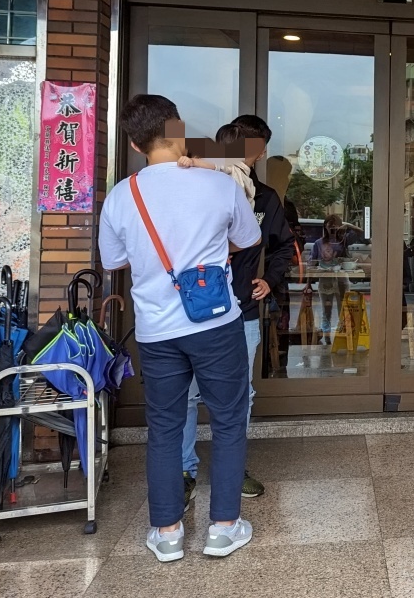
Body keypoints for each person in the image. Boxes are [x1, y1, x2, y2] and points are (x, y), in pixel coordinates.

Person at [98, 95, 260, 562]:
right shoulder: (216, 185)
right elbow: (247, 238)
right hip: (216, 324)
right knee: (228, 421)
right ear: (179, 129)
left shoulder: (121, 197)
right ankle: (224, 528)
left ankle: (167, 533)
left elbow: (115, 262)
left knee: (164, 428)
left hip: (156, 329)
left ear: (133, 143)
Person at [178, 116, 295, 504]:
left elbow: (281, 247)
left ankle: (232, 466)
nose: (254, 153)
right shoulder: (196, 186)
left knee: (239, 394)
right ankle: (184, 469)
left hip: (242, 310)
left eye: (258, 147)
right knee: (190, 394)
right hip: (191, 310)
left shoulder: (264, 198)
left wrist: (270, 279)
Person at [312, 213, 350, 341]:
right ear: (325, 227)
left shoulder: (343, 241)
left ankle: (342, 336)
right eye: (330, 226)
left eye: (335, 226)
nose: (332, 229)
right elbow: (312, 263)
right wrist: (308, 283)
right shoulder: (318, 243)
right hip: (325, 280)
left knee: (343, 310)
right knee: (326, 311)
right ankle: (327, 337)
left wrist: (346, 226)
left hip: (341, 279)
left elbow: (362, 235)